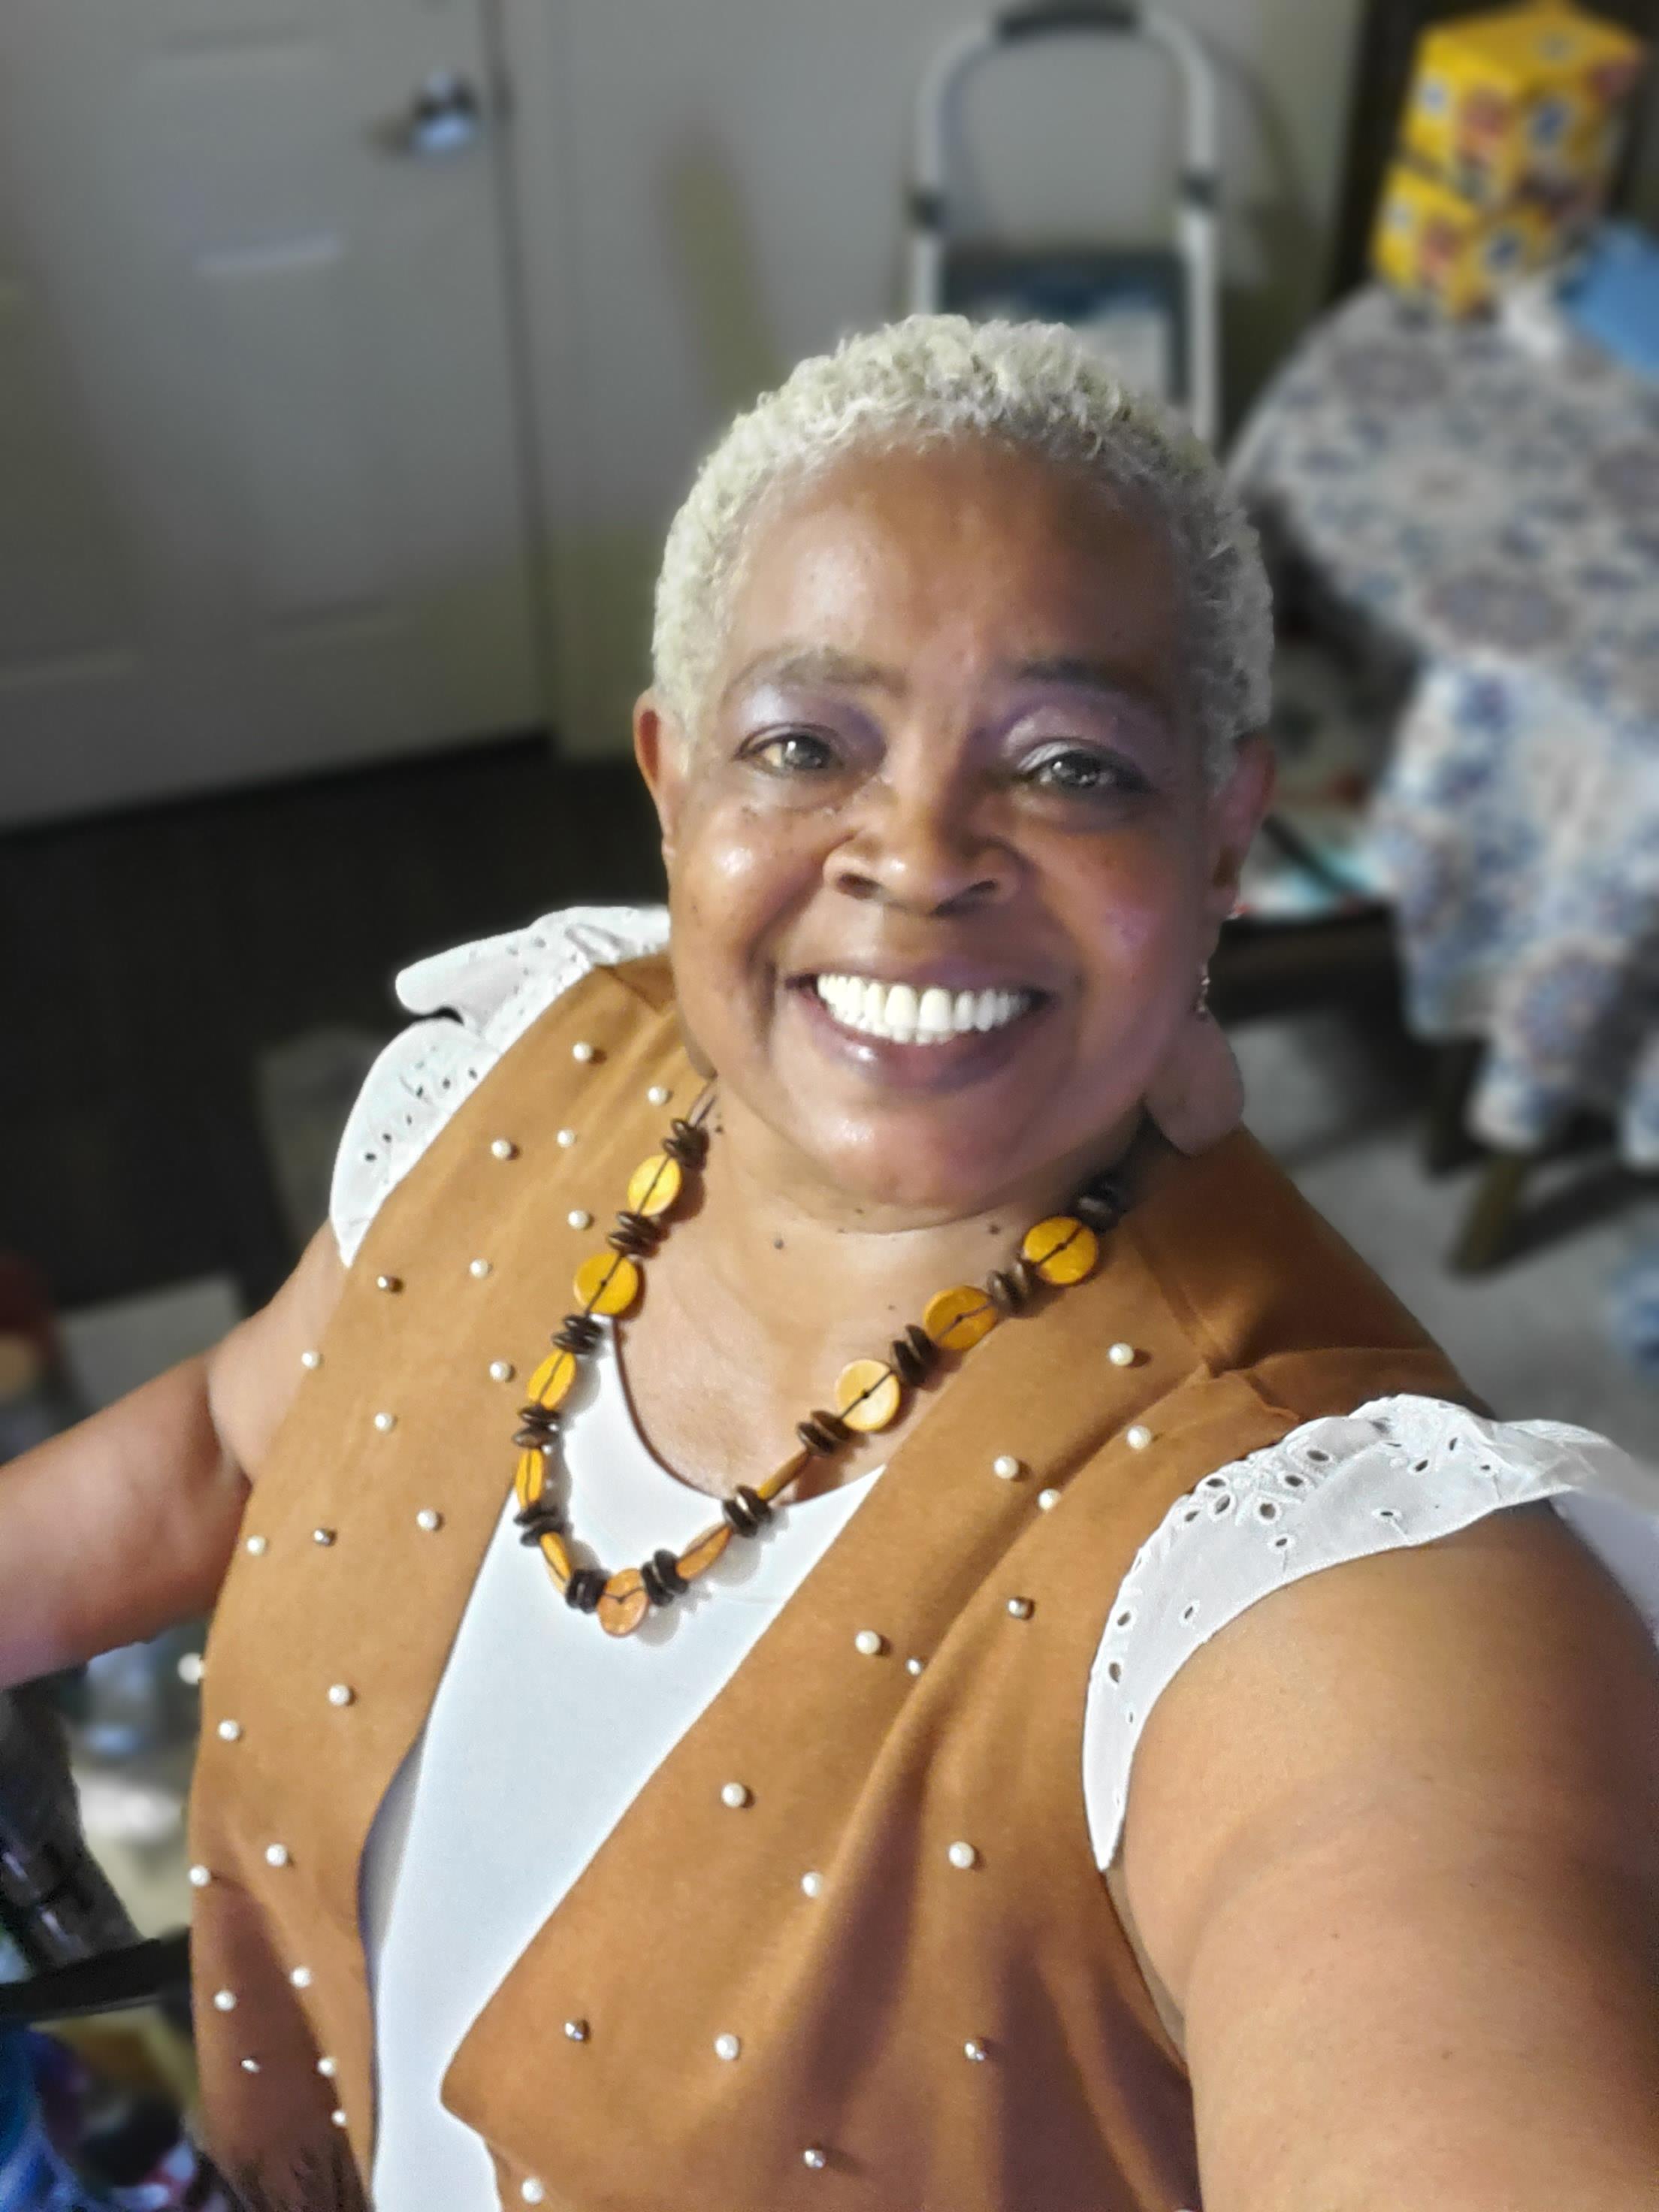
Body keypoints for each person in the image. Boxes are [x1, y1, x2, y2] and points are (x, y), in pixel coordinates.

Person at [4, 316, 1658, 2212]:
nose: (919, 850)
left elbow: (1430, 1954)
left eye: (1071, 764)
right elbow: (234, 1449)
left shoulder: (1325, 1566)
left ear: (1222, 838)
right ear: (671, 782)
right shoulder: (533, 1069)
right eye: (805, 743)